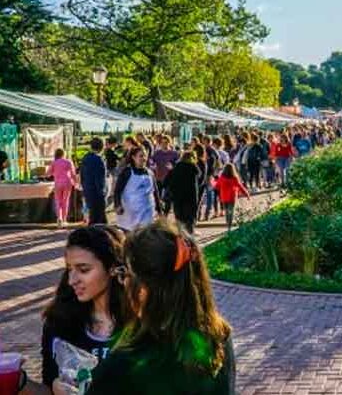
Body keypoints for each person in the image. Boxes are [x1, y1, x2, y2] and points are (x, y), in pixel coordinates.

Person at [86, 221, 235, 394]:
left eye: (124, 273)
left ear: (144, 289)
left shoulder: (125, 363)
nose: (123, 283)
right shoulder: (220, 337)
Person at [19, 226, 127, 395]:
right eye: (69, 269)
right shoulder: (59, 323)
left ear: (113, 268)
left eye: (84, 270)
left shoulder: (142, 326)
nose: (72, 280)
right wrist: (20, 381)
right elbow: (47, 387)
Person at [113, 147, 159, 232]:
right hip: (130, 213)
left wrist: (159, 209)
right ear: (133, 157)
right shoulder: (127, 172)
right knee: (130, 237)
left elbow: (155, 192)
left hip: (147, 212)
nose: (144, 159)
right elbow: (117, 190)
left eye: (145, 156)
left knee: (145, 235)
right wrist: (117, 204)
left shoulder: (150, 172)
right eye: (141, 156)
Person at [165, 151, 202, 234]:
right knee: (190, 217)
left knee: (180, 217)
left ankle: (181, 235)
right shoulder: (193, 167)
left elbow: (166, 181)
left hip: (178, 197)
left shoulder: (176, 167)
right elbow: (200, 176)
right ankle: (190, 233)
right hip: (191, 196)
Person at [213, 164, 251, 233]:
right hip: (232, 197)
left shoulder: (221, 177)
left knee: (227, 212)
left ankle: (228, 225)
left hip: (223, 197)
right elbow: (240, 186)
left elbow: (216, 187)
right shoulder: (234, 178)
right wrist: (246, 194)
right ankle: (229, 226)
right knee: (231, 211)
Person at [46, 149, 77, 228]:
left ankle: (59, 218)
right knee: (65, 201)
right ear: (64, 154)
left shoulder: (54, 163)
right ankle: (64, 219)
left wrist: (54, 173)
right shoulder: (68, 162)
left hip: (58, 184)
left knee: (58, 201)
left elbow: (48, 174)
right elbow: (73, 174)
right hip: (67, 183)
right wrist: (76, 182)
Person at [80, 138, 108, 225]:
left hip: (88, 190)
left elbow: (82, 176)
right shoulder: (99, 160)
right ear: (102, 147)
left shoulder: (85, 158)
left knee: (92, 217)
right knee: (99, 220)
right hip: (97, 193)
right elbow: (100, 180)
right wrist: (102, 193)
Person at [151, 136, 179, 216]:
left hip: (170, 179)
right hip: (158, 177)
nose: (164, 144)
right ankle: (160, 212)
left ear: (169, 143)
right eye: (162, 143)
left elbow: (178, 164)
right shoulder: (157, 153)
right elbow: (151, 161)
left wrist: (173, 166)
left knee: (168, 198)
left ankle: (165, 214)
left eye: (166, 142)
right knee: (157, 197)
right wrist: (153, 165)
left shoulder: (174, 154)